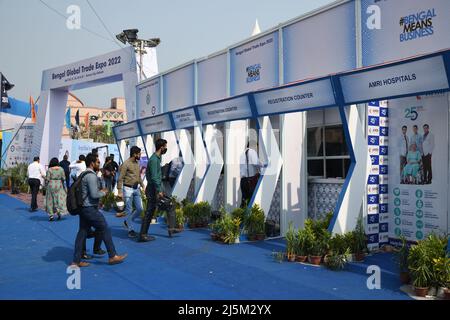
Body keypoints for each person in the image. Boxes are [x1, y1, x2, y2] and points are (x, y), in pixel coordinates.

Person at [71, 153, 127, 267]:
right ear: (92, 163)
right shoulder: (91, 176)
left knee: (82, 233)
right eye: (97, 162)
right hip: (89, 208)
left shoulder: (83, 174)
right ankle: (112, 255)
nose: (99, 164)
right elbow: (94, 194)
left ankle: (76, 261)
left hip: (84, 208)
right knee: (104, 227)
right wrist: (104, 192)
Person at [139, 139, 169, 241]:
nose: (166, 149)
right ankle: (143, 235)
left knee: (151, 211)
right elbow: (155, 177)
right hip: (152, 188)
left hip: (153, 187)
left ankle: (144, 234)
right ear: (161, 147)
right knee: (149, 211)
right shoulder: (154, 160)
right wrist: (159, 190)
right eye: (165, 146)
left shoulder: (156, 158)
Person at [117, 146, 145, 238]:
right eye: (139, 154)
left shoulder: (137, 163)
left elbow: (138, 176)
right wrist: (120, 191)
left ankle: (127, 222)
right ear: (134, 154)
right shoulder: (126, 164)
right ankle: (130, 230)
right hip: (127, 189)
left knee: (140, 208)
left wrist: (142, 185)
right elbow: (120, 178)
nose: (140, 155)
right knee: (129, 210)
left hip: (136, 188)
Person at [239, 140, 262, 208]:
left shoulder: (242, 154)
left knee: (244, 201)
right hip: (251, 181)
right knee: (252, 201)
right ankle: (250, 218)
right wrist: (262, 166)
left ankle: (241, 217)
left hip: (243, 180)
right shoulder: (252, 151)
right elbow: (256, 163)